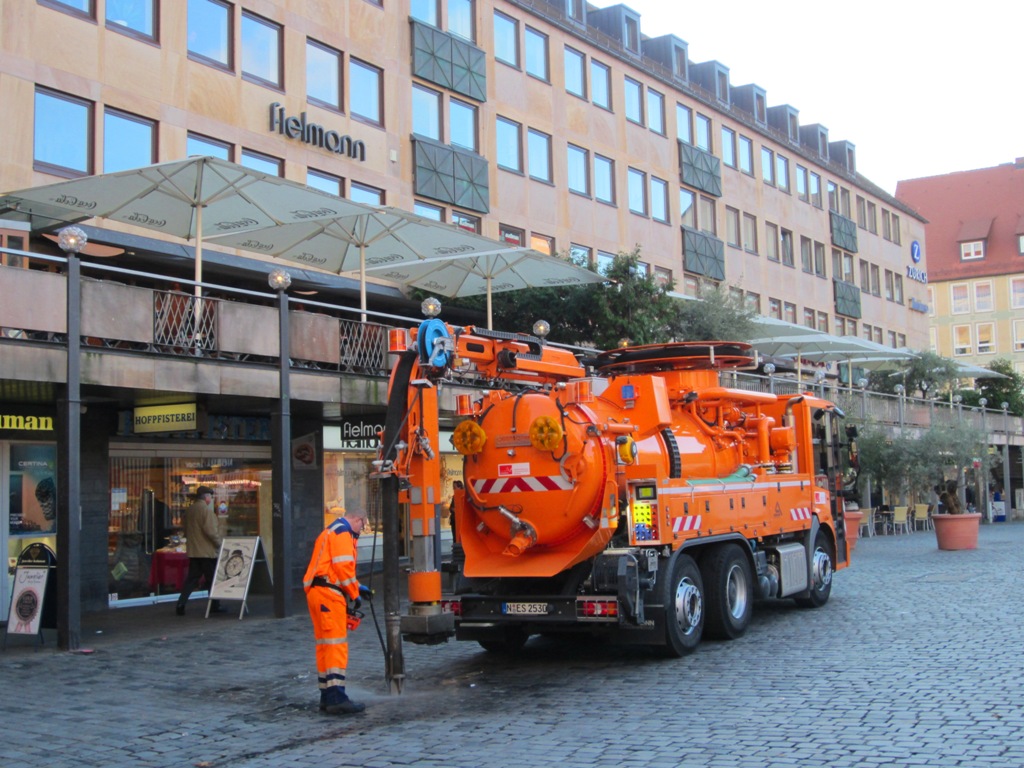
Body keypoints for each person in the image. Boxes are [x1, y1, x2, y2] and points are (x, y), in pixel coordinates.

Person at [303, 507, 371, 715]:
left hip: (317, 592)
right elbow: (343, 567)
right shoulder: (343, 533)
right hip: (329, 595)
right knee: (335, 645)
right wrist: (354, 592)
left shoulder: (330, 530)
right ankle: (336, 698)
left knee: (324, 645)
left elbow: (332, 566)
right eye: (363, 526)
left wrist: (356, 586)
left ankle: (327, 694)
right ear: (358, 520)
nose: (361, 531)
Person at [176, 486, 224, 615]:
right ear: (207, 497)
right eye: (211, 497)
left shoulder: (190, 510)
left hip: (194, 551)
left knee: (192, 579)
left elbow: (185, 530)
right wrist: (219, 544)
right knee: (212, 579)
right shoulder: (206, 511)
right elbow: (211, 532)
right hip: (207, 552)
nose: (211, 499)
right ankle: (215, 604)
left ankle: (181, 603)